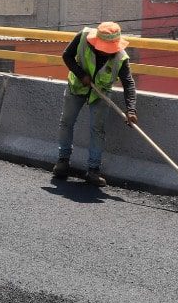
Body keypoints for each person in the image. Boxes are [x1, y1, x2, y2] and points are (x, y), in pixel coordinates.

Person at [53, 21, 138, 187]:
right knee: (66, 122)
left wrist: (131, 110)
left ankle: (93, 171)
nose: (105, 52)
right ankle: (63, 161)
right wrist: (80, 74)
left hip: (100, 94)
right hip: (77, 87)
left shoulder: (121, 58)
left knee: (98, 130)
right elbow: (66, 56)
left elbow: (129, 83)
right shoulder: (83, 37)